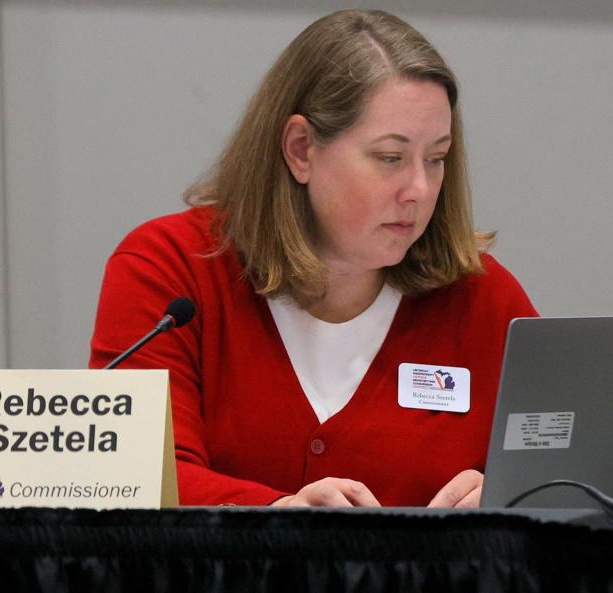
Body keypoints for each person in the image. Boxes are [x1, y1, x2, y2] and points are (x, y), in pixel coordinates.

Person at [89, 9, 537, 508]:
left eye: (436, 159)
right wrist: (278, 519)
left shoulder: (484, 298)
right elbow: (138, 476)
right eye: (390, 157)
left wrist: (513, 496)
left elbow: (570, 474)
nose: (420, 189)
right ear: (301, 149)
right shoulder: (170, 271)